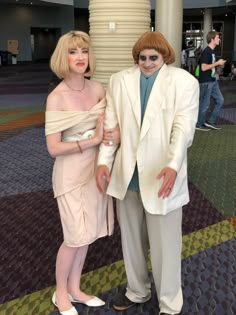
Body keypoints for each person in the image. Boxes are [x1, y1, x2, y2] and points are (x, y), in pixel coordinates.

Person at [96, 31, 199, 315]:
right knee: (131, 240)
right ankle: (137, 290)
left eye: (153, 57)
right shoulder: (119, 81)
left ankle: (169, 304)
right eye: (142, 57)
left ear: (164, 56)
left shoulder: (184, 82)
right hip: (128, 175)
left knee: (166, 244)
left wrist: (173, 165)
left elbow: (183, 128)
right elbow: (111, 126)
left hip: (161, 174)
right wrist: (104, 161)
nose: (147, 62)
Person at [45, 30, 120, 315]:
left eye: (84, 51)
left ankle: (75, 288)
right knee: (74, 236)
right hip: (70, 174)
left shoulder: (98, 88)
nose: (80, 57)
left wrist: (114, 134)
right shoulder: (57, 97)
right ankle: (60, 293)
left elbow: (111, 127)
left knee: (87, 234)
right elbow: (53, 147)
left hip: (96, 171)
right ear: (63, 57)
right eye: (73, 52)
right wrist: (93, 139)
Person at [196, 31, 226, 131]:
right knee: (205, 104)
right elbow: (203, 68)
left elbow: (210, 66)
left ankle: (210, 121)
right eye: (217, 38)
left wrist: (219, 65)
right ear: (212, 39)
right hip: (206, 82)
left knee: (220, 100)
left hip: (212, 80)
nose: (219, 39)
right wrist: (217, 62)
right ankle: (198, 124)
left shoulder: (212, 51)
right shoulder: (207, 51)